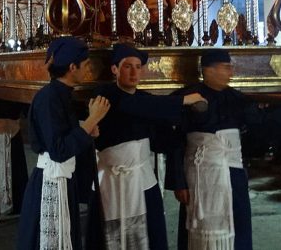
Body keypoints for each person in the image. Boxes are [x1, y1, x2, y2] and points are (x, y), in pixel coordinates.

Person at [165, 49, 281, 250]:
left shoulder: (238, 98)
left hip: (233, 173)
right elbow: (176, 142)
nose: (231, 72)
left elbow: (260, 124)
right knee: (197, 226)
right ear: (208, 71)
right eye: (226, 68)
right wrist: (178, 181)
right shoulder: (186, 97)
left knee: (238, 226)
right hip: (199, 175)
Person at [87, 44, 206, 250]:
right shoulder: (105, 95)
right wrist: (185, 100)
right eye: (127, 66)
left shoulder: (147, 101)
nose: (134, 72)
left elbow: (162, 133)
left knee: (151, 235)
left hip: (142, 180)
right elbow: (134, 107)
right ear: (114, 69)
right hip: (111, 182)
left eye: (138, 66)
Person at [17, 36, 111, 250]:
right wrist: (91, 121)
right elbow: (59, 150)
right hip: (50, 182)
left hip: (63, 180)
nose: (88, 70)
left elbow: (67, 136)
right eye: (85, 65)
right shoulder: (49, 98)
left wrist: (87, 130)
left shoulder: (62, 94)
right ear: (72, 67)